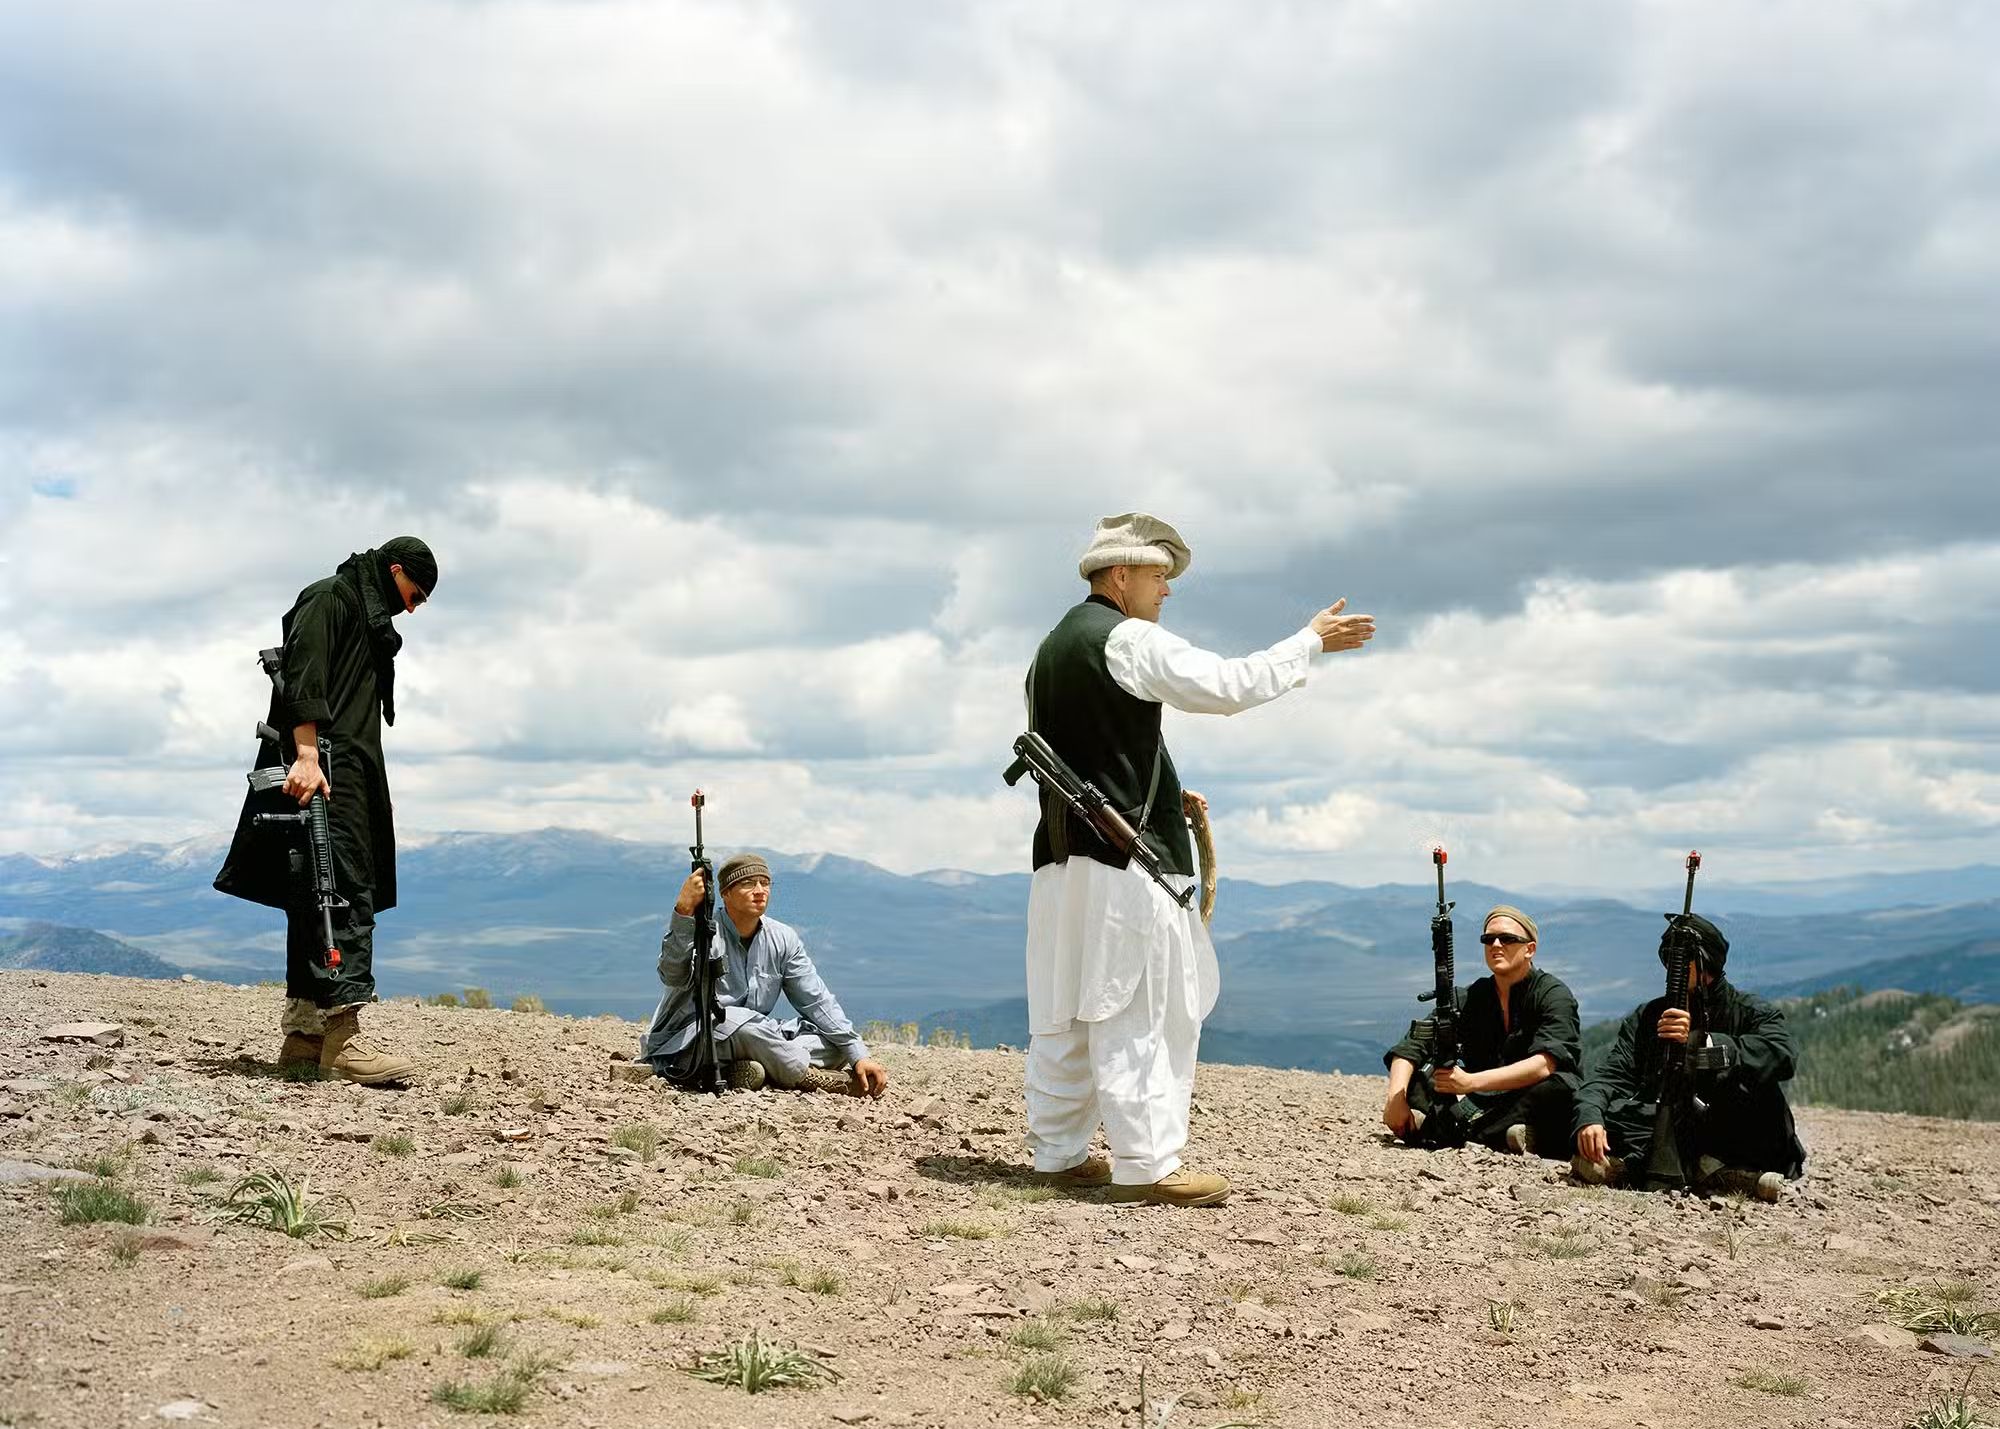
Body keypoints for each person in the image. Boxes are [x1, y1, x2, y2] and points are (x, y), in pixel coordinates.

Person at [1022, 512, 1376, 1207]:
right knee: (1145, 1008)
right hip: (1126, 863)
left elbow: (1092, 749)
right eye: (1158, 576)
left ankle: (1057, 1154)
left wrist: (1163, 789)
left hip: (1062, 860)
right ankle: (1148, 1165)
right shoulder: (1126, 638)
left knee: (1065, 1012)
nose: (1167, 591)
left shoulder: (1049, 649)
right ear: (1120, 575)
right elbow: (1225, 685)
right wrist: (1308, 641)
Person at [213, 537, 436, 1085]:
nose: (412, 608)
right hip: (325, 770)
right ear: (395, 571)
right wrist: (308, 757)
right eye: (414, 595)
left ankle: (304, 1039)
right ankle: (342, 1041)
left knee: (317, 896)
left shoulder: (364, 615)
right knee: (340, 895)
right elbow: (304, 680)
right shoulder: (330, 599)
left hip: (351, 774)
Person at [1571, 913, 1806, 1200]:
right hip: (1671, 1124)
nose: (1672, 967)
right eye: (1668, 957)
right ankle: (1712, 1175)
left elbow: (1783, 1055)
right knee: (1606, 1112)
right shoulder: (1649, 1017)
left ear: (1707, 963)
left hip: (1732, 1129)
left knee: (1763, 1098)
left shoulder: (1749, 1011)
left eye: (1682, 959)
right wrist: (1590, 1118)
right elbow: (1611, 1075)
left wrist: (1704, 1043)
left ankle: (1638, 1169)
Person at [640, 852, 889, 1096]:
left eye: (765, 883)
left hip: (757, 1036)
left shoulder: (783, 938)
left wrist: (858, 1055)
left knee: (835, 1043)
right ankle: (807, 1077)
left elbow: (817, 1001)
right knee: (741, 1025)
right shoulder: (702, 933)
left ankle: (748, 1070)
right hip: (692, 1041)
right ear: (725, 893)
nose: (760, 890)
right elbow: (672, 976)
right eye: (748, 883)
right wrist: (684, 912)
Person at [1380, 905, 1580, 1158]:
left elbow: (1545, 1064)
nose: (1496, 945)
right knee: (1420, 1075)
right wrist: (1395, 1099)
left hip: (1526, 1095)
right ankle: (1502, 1136)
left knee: (1559, 1088)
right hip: (1484, 1099)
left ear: (1530, 949)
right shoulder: (1471, 996)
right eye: (1488, 939)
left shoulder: (1553, 995)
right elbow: (1413, 1045)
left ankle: (1446, 1130)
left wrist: (1470, 1082)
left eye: (1507, 939)